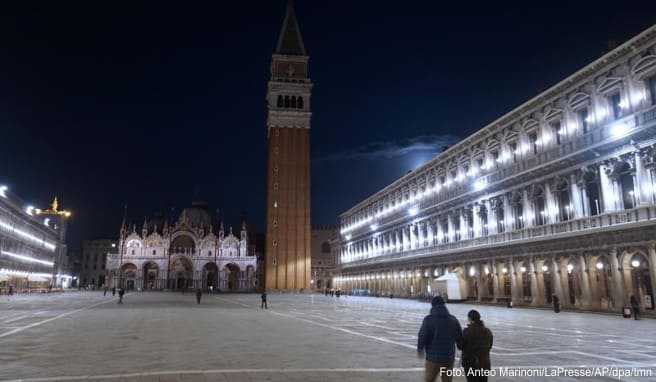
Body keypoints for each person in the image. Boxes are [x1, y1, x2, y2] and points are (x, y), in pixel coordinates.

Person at [417, 296, 463, 382]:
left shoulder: (428, 319)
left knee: (429, 380)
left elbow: (422, 335)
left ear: (432, 305)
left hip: (433, 359)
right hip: (448, 358)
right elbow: (460, 337)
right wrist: (461, 346)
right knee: (447, 380)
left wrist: (420, 348)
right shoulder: (453, 319)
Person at [458, 310, 493, 382]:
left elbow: (460, 346)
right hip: (484, 363)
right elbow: (490, 346)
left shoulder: (467, 331)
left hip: (471, 364)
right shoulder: (487, 331)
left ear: (470, 319)